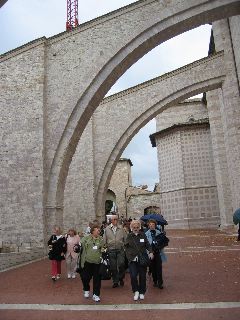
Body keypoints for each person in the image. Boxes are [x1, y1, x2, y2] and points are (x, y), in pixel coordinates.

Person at [124, 219, 153, 301]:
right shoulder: (129, 236)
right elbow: (125, 247)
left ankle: (141, 292)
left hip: (142, 259)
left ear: (139, 227)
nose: (136, 228)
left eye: (137, 227)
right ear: (131, 228)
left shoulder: (143, 235)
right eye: (134, 227)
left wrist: (151, 252)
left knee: (142, 276)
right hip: (133, 260)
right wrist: (129, 256)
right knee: (133, 276)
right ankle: (136, 291)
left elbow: (147, 245)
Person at [80, 225, 104, 302]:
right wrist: (77, 246)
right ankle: (86, 289)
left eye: (99, 231)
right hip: (87, 262)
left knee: (97, 279)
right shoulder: (86, 238)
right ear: (92, 231)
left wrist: (104, 249)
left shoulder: (101, 239)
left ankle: (96, 295)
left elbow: (104, 247)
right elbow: (80, 244)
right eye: (97, 230)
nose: (99, 232)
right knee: (85, 277)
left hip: (97, 262)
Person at [103, 214, 127, 288]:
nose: (116, 221)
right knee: (113, 267)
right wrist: (104, 249)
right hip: (111, 250)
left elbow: (125, 239)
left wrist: (125, 247)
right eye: (114, 219)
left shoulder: (121, 228)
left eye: (117, 219)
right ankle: (115, 281)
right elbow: (104, 240)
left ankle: (121, 278)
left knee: (121, 264)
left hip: (120, 249)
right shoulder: (107, 229)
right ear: (111, 220)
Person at [145, 219, 166, 289]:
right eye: (150, 225)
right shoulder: (146, 234)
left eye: (153, 225)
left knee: (159, 268)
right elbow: (145, 245)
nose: (151, 226)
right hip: (151, 253)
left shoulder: (159, 232)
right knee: (153, 268)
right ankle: (155, 281)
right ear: (148, 226)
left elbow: (163, 243)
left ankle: (160, 283)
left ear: (155, 225)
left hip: (158, 253)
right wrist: (149, 253)